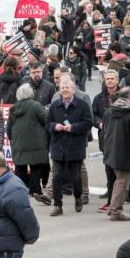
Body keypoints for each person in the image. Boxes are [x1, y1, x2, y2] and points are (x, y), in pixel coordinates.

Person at [47, 80, 92, 215]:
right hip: (58, 147)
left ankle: (78, 197)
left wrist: (73, 127)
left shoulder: (82, 105)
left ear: (73, 90)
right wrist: (54, 126)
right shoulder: (55, 105)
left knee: (76, 177)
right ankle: (57, 205)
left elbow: (88, 123)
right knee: (56, 177)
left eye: (67, 88)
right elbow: (47, 122)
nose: (65, 90)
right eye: (62, 88)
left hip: (75, 147)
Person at [7, 83, 50, 207]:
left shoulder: (13, 108)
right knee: (35, 167)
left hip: (18, 143)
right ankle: (35, 190)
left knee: (20, 167)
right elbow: (44, 120)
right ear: (30, 94)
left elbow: (8, 128)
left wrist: (13, 140)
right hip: (35, 143)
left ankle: (21, 189)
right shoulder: (36, 106)